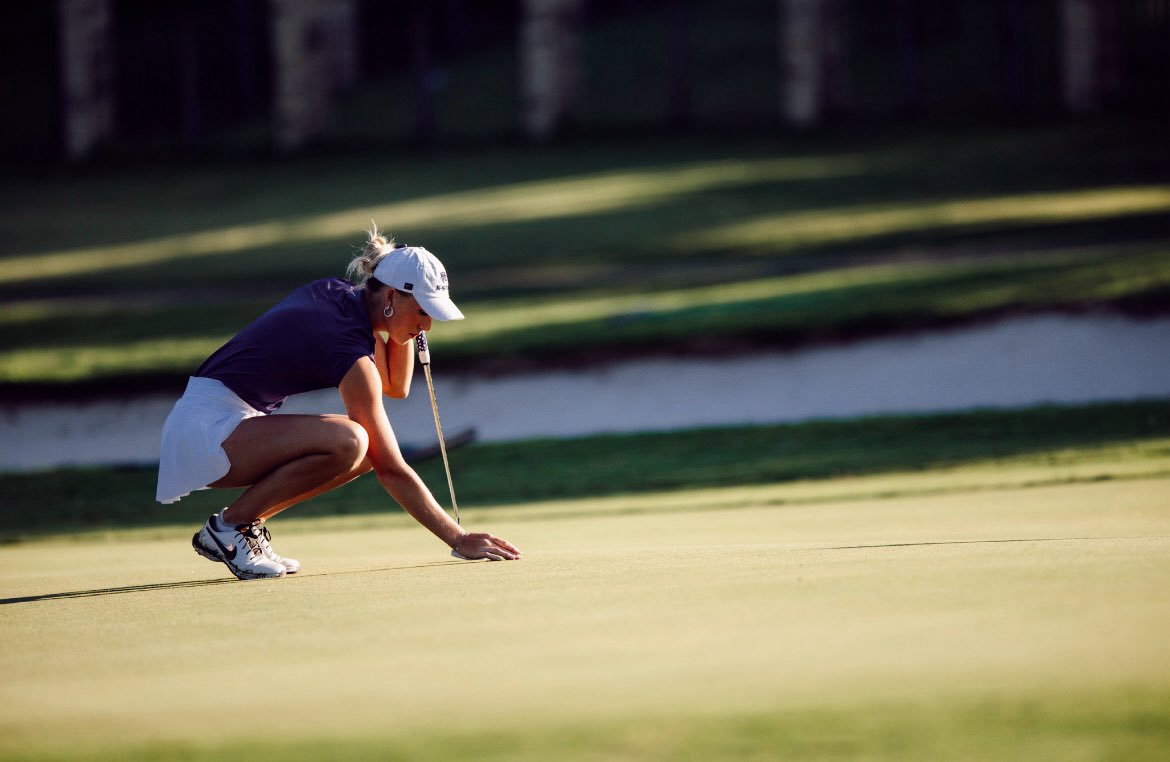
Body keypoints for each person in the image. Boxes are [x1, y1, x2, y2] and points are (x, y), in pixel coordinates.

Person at [155, 226, 521, 580]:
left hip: (224, 422)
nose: (427, 326)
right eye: (423, 311)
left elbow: (395, 385)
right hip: (208, 430)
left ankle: (239, 526)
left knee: (360, 450)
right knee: (354, 441)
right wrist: (457, 538)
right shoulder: (344, 342)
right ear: (391, 297)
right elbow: (391, 468)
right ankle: (230, 528)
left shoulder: (342, 298)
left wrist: (404, 329)